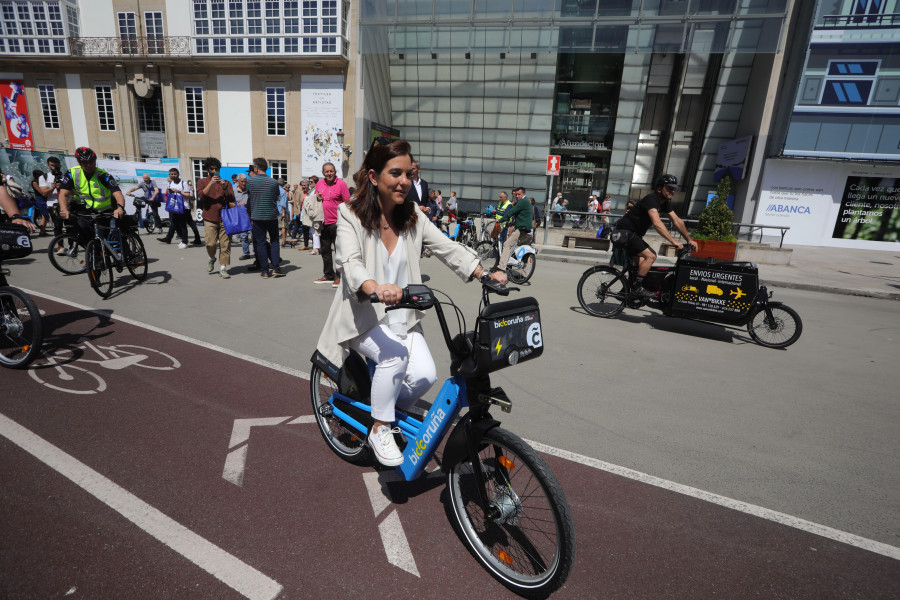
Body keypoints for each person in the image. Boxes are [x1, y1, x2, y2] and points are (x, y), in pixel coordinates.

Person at [314, 139, 507, 467]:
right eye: (395, 173)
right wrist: (374, 286)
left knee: (424, 376)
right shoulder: (351, 214)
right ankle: (379, 427)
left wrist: (481, 271)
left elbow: (446, 246)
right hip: (363, 312)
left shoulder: (413, 215)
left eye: (408, 173)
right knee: (393, 356)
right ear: (374, 177)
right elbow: (350, 261)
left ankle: (385, 409)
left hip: (402, 313)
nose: (404, 180)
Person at [613, 174, 697, 299]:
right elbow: (657, 223)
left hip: (633, 235)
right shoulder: (651, 200)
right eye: (669, 188)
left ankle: (624, 292)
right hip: (624, 233)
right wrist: (673, 241)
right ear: (659, 189)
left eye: (674, 189)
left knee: (641, 264)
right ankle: (637, 288)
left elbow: (677, 221)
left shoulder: (665, 203)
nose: (672, 191)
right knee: (651, 256)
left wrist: (689, 239)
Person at [57, 147, 127, 244]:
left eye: (92, 162)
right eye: (85, 163)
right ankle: (94, 254)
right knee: (83, 235)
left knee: (106, 238)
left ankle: (120, 253)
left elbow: (118, 194)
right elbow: (63, 194)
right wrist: (64, 209)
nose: (89, 165)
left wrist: (119, 208)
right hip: (84, 211)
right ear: (79, 162)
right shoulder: (72, 173)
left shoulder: (103, 175)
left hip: (104, 212)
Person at [246, 157, 284, 278]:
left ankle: (265, 270)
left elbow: (249, 196)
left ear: (256, 168)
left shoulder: (250, 181)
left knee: (261, 243)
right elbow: (276, 197)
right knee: (274, 241)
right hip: (271, 215)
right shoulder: (274, 182)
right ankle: (276, 268)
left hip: (257, 216)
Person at [313, 162, 350, 287]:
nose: (329, 173)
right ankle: (328, 275)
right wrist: (317, 197)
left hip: (338, 223)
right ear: (323, 173)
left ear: (335, 172)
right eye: (327, 171)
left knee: (339, 252)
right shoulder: (319, 184)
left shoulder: (341, 184)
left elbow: (348, 203)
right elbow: (314, 200)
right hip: (323, 222)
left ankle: (340, 276)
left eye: (331, 171)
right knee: (325, 251)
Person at [198, 157, 235, 279]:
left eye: (216, 168)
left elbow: (231, 199)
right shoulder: (202, 181)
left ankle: (223, 268)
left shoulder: (227, 183)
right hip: (209, 217)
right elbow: (202, 196)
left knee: (225, 244)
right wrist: (211, 183)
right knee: (210, 243)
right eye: (212, 168)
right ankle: (212, 258)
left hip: (224, 217)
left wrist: (224, 186)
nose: (214, 171)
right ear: (208, 169)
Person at [498, 187, 534, 269]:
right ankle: (525, 275)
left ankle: (501, 267)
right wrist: (513, 223)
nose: (517, 196)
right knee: (525, 252)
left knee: (507, 244)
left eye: (519, 194)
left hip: (522, 229)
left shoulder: (522, 201)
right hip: (528, 230)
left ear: (524, 194)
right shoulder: (526, 202)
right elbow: (523, 215)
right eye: (516, 194)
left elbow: (511, 212)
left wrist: (501, 220)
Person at [156, 167, 193, 248]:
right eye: (171, 174)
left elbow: (188, 196)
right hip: (174, 207)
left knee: (183, 225)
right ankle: (171, 238)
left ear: (178, 174)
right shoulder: (170, 184)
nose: (173, 175)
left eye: (175, 174)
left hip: (183, 207)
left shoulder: (184, 183)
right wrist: (171, 192)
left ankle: (184, 241)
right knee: (175, 223)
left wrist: (179, 191)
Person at [38, 156, 64, 236]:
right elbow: (44, 193)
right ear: (48, 165)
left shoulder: (66, 176)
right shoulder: (44, 177)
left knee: (70, 226)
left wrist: (63, 187)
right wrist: (52, 188)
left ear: (60, 165)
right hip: (52, 204)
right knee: (57, 226)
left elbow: (73, 191)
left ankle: (72, 246)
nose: (54, 167)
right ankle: (60, 246)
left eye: (56, 165)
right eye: (52, 165)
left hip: (66, 204)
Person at [233, 173, 253, 260]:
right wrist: (236, 204)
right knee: (243, 235)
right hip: (241, 215)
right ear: (238, 181)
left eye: (245, 181)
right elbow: (229, 202)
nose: (244, 183)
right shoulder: (233, 190)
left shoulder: (249, 189)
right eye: (242, 182)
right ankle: (246, 253)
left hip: (251, 214)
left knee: (253, 234)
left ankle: (257, 252)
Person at [304, 177, 324, 256]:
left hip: (314, 213)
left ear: (316, 182)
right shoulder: (312, 190)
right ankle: (317, 247)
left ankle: (316, 248)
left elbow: (312, 201)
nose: (310, 183)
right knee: (314, 231)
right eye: (309, 182)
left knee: (315, 230)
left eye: (311, 182)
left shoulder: (315, 190)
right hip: (313, 213)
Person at [30, 170, 50, 235]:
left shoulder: (40, 181)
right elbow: (41, 192)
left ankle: (43, 230)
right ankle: (42, 231)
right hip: (40, 199)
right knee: (44, 215)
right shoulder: (34, 182)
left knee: (46, 216)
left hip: (43, 199)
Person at [295, 178, 312, 250]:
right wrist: (297, 212)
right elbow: (297, 202)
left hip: (311, 213)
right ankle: (306, 245)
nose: (304, 187)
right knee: (305, 229)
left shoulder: (312, 192)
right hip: (304, 213)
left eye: (305, 185)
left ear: (308, 185)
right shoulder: (300, 193)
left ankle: (317, 245)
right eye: (302, 185)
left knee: (314, 230)